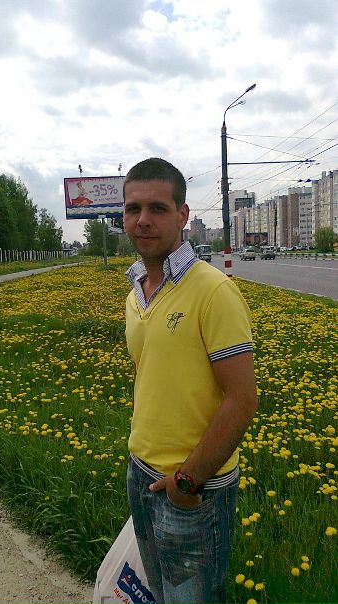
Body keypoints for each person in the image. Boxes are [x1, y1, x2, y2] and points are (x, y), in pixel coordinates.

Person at [123, 158, 258, 604]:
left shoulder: (213, 291)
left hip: (192, 490)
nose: (143, 220)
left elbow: (242, 400)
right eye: (133, 208)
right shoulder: (136, 292)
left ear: (182, 215)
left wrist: (187, 481)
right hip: (141, 474)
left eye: (157, 208)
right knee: (158, 595)